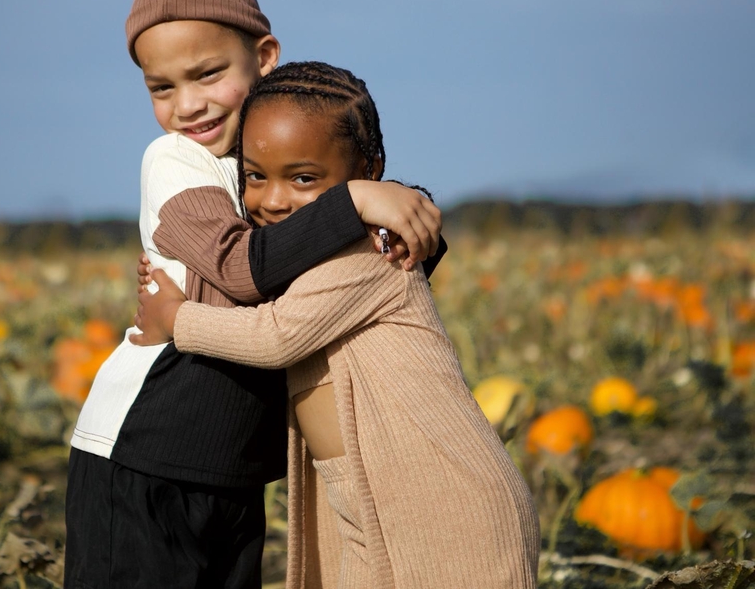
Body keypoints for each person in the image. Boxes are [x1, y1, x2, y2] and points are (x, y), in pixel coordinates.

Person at [65, 0, 445, 589]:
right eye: (162, 88)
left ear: (264, 56)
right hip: (146, 454)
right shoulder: (175, 162)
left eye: (208, 74)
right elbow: (243, 271)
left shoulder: (266, 171)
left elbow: (349, 276)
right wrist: (352, 202)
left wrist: (404, 231)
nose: (188, 106)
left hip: (231, 466)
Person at [133, 62, 541, 589]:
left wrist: (178, 318)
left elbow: (276, 336)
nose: (274, 200)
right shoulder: (310, 256)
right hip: (372, 504)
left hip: (450, 504)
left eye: (303, 178)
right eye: (255, 176)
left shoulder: (368, 252)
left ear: (367, 173)